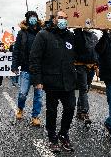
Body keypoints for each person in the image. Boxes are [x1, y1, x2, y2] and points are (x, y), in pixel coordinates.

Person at [29, 11, 76, 153]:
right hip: (51, 81)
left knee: (70, 108)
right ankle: (52, 136)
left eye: (65, 18)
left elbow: (83, 52)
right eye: (60, 17)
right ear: (54, 19)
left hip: (68, 82)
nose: (63, 20)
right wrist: (37, 79)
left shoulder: (71, 36)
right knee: (52, 111)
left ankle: (63, 133)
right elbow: (34, 58)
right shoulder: (43, 35)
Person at [11, 11, 44, 126]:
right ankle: (20, 108)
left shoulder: (42, 32)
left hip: (39, 70)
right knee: (22, 93)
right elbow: (16, 50)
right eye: (31, 17)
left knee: (38, 95)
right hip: (26, 68)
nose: (33, 19)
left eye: (35, 17)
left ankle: (35, 116)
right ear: (27, 19)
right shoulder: (22, 33)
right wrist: (14, 65)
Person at [73, 28, 98, 125]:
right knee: (83, 88)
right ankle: (85, 111)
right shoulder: (78, 35)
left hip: (91, 67)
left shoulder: (95, 37)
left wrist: (97, 64)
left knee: (86, 89)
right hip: (80, 66)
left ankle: (80, 111)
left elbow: (96, 52)